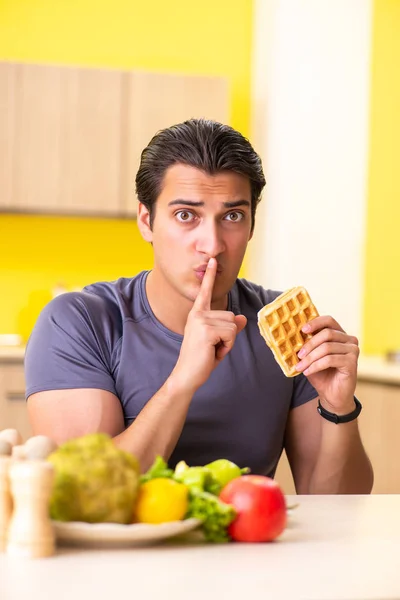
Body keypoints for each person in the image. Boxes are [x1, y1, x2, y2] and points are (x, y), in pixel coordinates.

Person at [25, 118, 373, 494]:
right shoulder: (80, 322)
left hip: (252, 550)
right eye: (186, 215)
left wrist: (339, 408)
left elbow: (335, 508)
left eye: (232, 216)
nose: (212, 244)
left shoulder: (284, 329)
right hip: (122, 555)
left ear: (252, 226)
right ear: (147, 221)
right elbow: (88, 492)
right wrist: (181, 382)